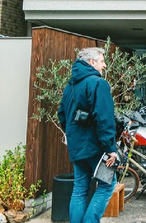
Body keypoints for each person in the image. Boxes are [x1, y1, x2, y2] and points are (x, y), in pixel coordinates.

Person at [58, 47, 118, 223]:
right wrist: (110, 148)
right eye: (102, 61)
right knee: (108, 184)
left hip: (76, 146)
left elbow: (62, 115)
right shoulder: (98, 83)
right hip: (95, 146)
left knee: (80, 188)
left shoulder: (70, 86)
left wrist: (75, 135)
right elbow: (104, 118)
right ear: (92, 62)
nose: (104, 65)